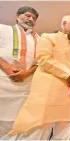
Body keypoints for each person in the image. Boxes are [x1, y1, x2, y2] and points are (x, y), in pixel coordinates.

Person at [2, 15, 70, 140]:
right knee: (39, 128)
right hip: (49, 90)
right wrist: (68, 74)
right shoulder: (48, 37)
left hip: (69, 92)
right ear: (63, 24)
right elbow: (43, 59)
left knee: (65, 128)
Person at [0, 6, 39, 138]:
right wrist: (8, 69)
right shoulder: (3, 29)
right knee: (3, 122)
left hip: (26, 87)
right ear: (17, 16)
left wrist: (27, 73)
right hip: (4, 83)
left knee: (21, 122)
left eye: (34, 18)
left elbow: (40, 62)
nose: (31, 19)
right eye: (28, 16)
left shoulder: (38, 38)